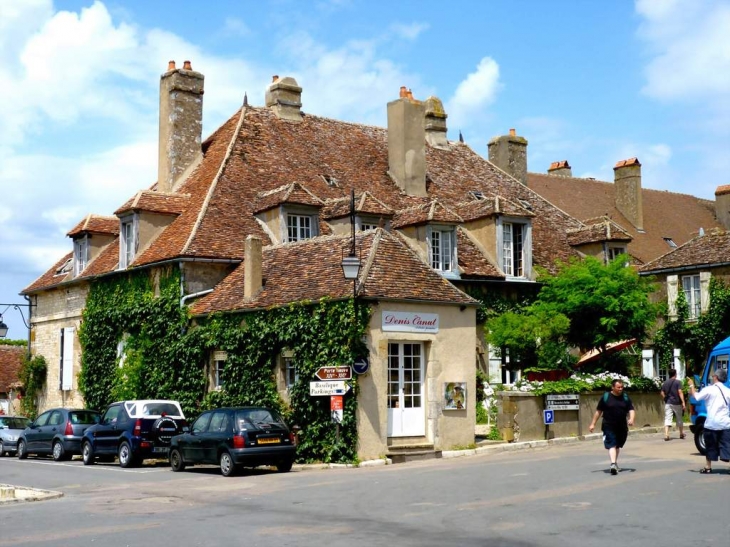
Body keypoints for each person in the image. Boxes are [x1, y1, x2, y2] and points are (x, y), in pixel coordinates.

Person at [688, 368, 730, 474]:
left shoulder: (709, 389)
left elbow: (696, 397)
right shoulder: (728, 391)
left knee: (710, 445)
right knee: (727, 445)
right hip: (725, 423)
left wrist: (692, 385)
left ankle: (708, 467)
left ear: (716, 377)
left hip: (711, 423)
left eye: (713, 376)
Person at [589, 379, 635, 475]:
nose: (620, 389)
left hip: (622, 426)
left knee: (617, 445)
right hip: (608, 425)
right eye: (618, 387)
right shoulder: (606, 397)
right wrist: (593, 423)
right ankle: (613, 464)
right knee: (612, 444)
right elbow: (598, 411)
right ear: (613, 387)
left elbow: (631, 409)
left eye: (622, 387)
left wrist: (631, 419)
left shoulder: (625, 397)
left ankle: (615, 463)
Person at [660, 368, 686, 441]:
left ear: (669, 374)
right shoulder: (678, 382)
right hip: (677, 402)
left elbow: (662, 392)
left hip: (668, 402)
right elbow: (680, 392)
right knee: (679, 418)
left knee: (668, 418)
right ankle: (681, 433)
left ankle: (666, 434)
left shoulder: (665, 383)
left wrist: (665, 398)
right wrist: (683, 402)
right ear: (675, 374)